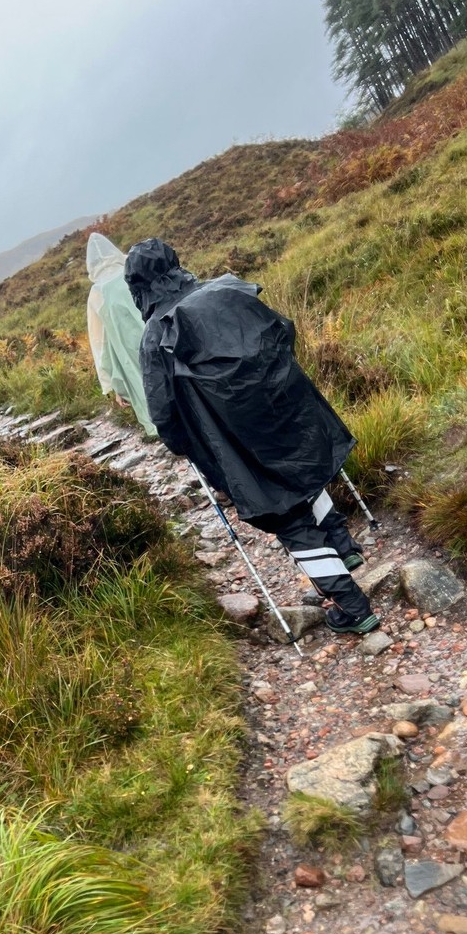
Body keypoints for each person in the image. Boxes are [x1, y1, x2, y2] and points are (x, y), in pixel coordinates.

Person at [124, 237, 378, 636]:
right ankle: (345, 551)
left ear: (137, 287)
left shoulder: (157, 335)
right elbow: (282, 333)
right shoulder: (227, 288)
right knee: (305, 476)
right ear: (176, 263)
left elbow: (163, 413)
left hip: (234, 440)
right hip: (286, 407)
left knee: (285, 514)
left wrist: (186, 447)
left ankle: (352, 606)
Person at [85, 233, 157, 436]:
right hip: (160, 339)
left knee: (157, 406)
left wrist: (113, 384)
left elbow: (100, 343)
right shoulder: (133, 272)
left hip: (132, 358)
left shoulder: (97, 294)